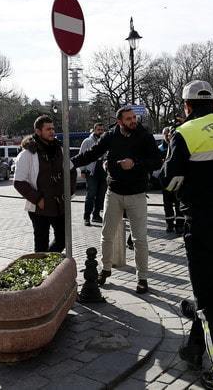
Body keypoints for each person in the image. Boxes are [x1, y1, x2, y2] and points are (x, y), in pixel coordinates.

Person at [162, 81, 213, 390]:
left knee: (210, 305)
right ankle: (194, 348)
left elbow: (170, 182)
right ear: (211, 101)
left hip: (204, 223)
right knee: (211, 292)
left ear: (186, 106)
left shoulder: (186, 132)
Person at [71, 106, 162, 294]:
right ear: (120, 121)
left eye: (134, 117)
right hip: (113, 192)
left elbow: (156, 161)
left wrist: (135, 164)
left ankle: (142, 278)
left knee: (139, 239)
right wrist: (72, 162)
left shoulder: (144, 136)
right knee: (107, 235)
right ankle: (105, 269)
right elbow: (93, 153)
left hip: (137, 194)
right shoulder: (111, 136)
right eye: (128, 118)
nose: (133, 121)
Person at [13, 115, 75, 252]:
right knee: (41, 244)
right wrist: (37, 199)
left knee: (63, 239)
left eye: (53, 128)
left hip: (59, 204)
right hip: (39, 207)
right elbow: (18, 182)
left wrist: (69, 192)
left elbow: (71, 171)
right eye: (48, 129)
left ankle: (49, 265)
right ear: (38, 131)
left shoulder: (60, 150)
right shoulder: (27, 154)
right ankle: (43, 270)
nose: (52, 131)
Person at [80, 123, 107, 226]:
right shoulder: (87, 141)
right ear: (94, 130)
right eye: (99, 129)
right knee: (91, 194)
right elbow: (81, 155)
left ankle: (96, 215)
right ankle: (86, 217)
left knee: (101, 195)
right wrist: (82, 170)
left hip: (103, 170)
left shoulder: (104, 141)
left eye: (102, 129)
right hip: (91, 171)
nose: (100, 131)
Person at [159, 126, 182, 235]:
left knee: (179, 204)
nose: (168, 136)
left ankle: (180, 225)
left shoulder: (178, 146)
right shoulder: (160, 149)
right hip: (165, 180)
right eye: (166, 134)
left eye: (170, 134)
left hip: (178, 179)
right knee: (167, 204)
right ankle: (169, 224)